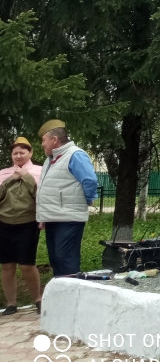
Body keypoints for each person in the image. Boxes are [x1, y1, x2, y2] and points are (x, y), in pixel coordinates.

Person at [36, 120, 98, 277]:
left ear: (54, 139)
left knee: (66, 259)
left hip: (69, 218)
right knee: (56, 259)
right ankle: (61, 290)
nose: (42, 144)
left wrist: (88, 198)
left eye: (44, 140)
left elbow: (90, 180)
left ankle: (73, 290)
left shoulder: (75, 155)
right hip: (53, 217)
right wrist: (43, 215)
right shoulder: (50, 159)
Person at [0, 137, 43, 314]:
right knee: (7, 265)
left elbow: (41, 196)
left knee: (26, 264)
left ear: (30, 153)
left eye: (22, 152)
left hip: (28, 223)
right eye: (15, 153)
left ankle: (38, 300)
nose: (18, 156)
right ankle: (11, 304)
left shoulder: (40, 172)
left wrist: (26, 177)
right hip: (4, 223)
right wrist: (11, 179)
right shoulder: (3, 173)